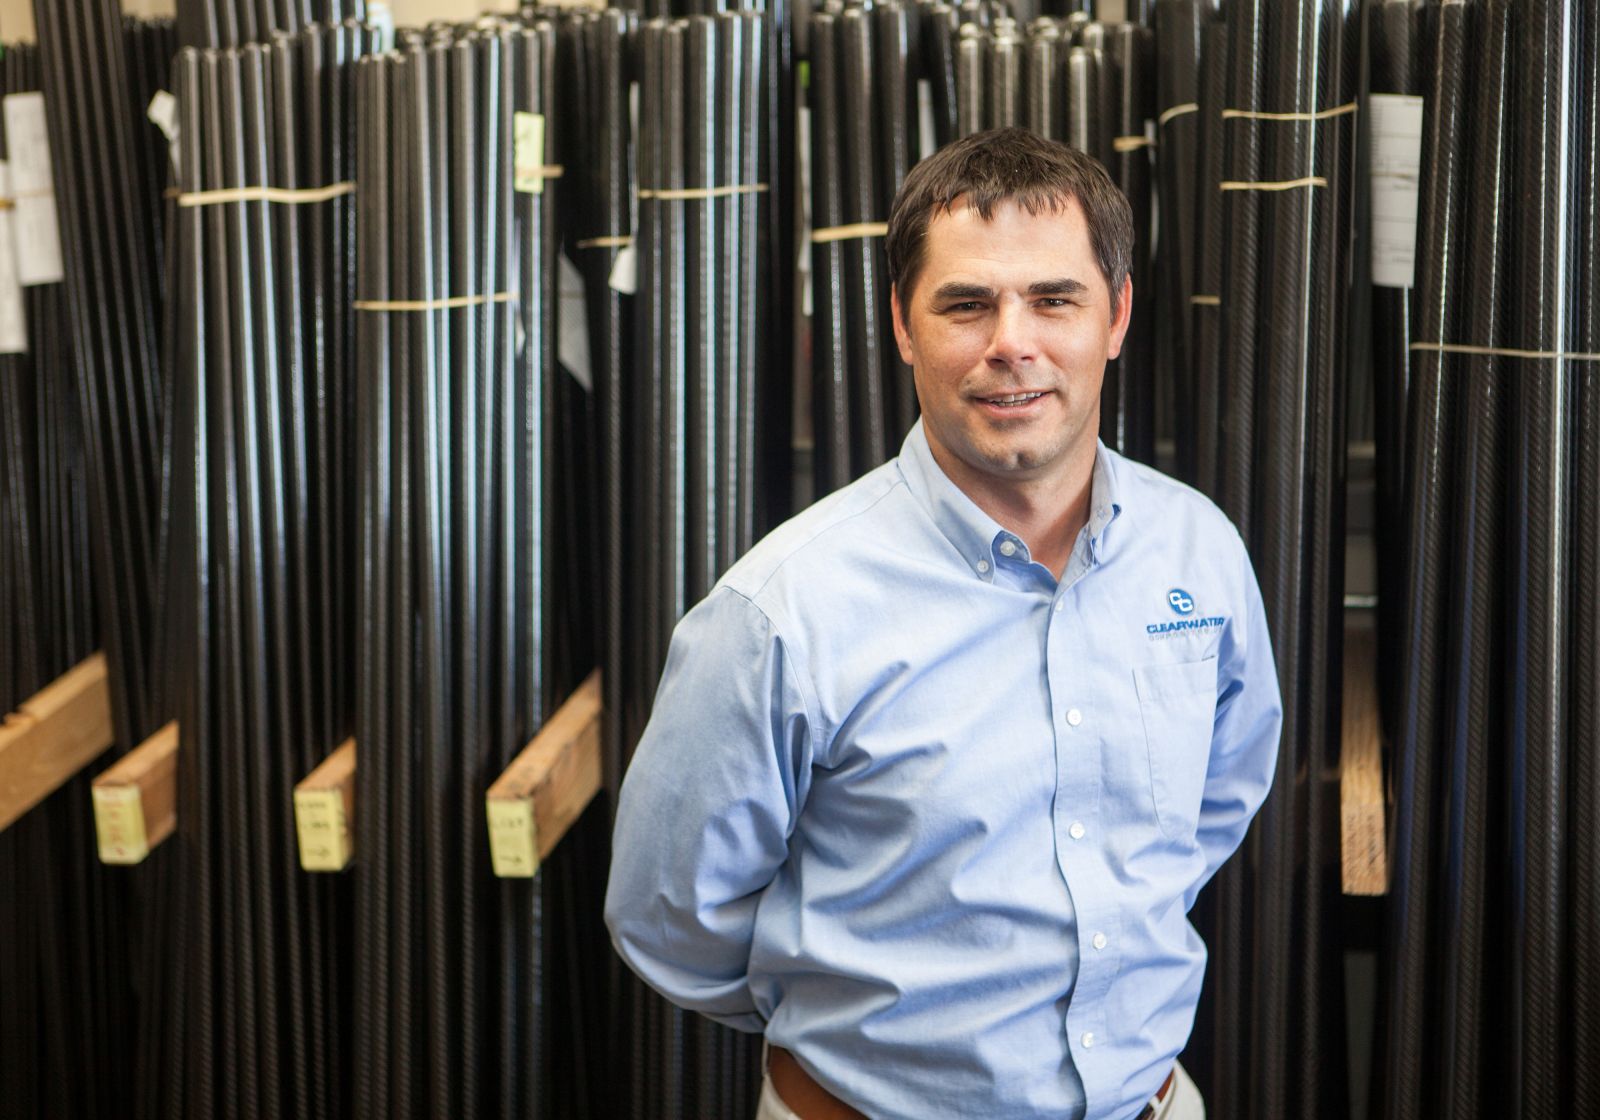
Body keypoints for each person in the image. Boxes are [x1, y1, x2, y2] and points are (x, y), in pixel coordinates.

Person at [605, 127, 1282, 1120]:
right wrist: (864, 1015)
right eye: (966, 303)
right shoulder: (780, 612)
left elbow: (1218, 800)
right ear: (902, 324)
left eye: (1054, 299)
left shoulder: (1198, 553)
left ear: (1117, 316)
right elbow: (671, 918)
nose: (1012, 341)